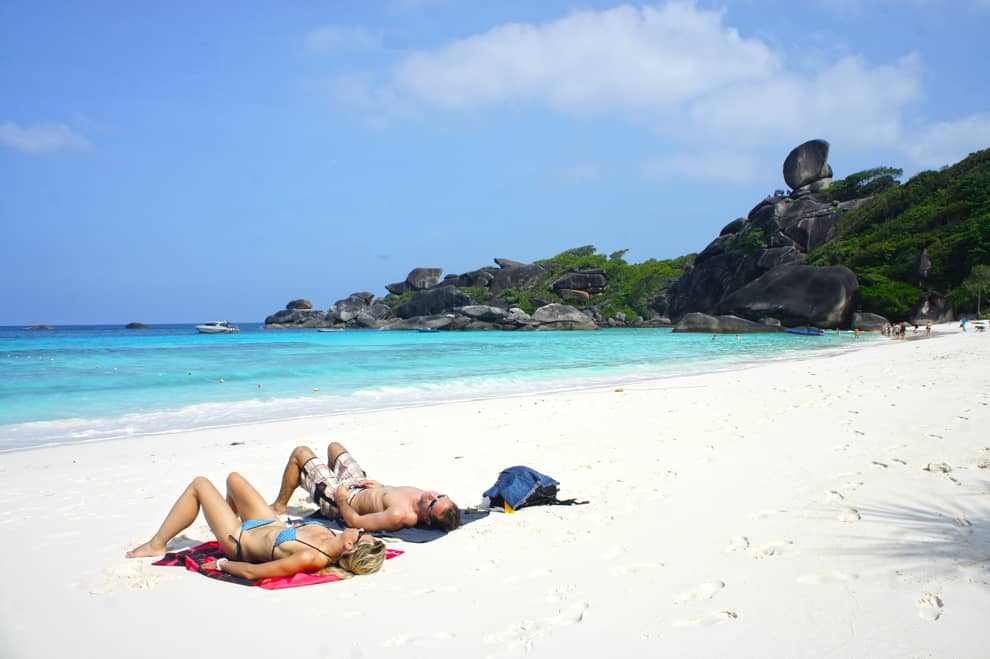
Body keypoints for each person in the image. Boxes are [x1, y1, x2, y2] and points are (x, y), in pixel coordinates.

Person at [126, 472, 386, 579]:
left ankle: (156, 544)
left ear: (350, 544)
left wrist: (220, 564)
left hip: (239, 539)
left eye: (362, 534)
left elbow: (254, 573)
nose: (361, 529)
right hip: (268, 523)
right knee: (234, 478)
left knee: (200, 484)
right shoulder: (337, 538)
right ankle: (222, 515)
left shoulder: (309, 556)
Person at [272, 443, 462, 533]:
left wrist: (340, 500)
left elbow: (355, 521)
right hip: (361, 485)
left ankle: (280, 505)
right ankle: (320, 480)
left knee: (300, 453)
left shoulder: (399, 515)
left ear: (427, 519)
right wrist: (381, 487)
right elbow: (394, 493)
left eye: (432, 504)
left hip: (343, 501)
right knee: (334, 447)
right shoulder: (424, 498)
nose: (432, 496)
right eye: (440, 496)